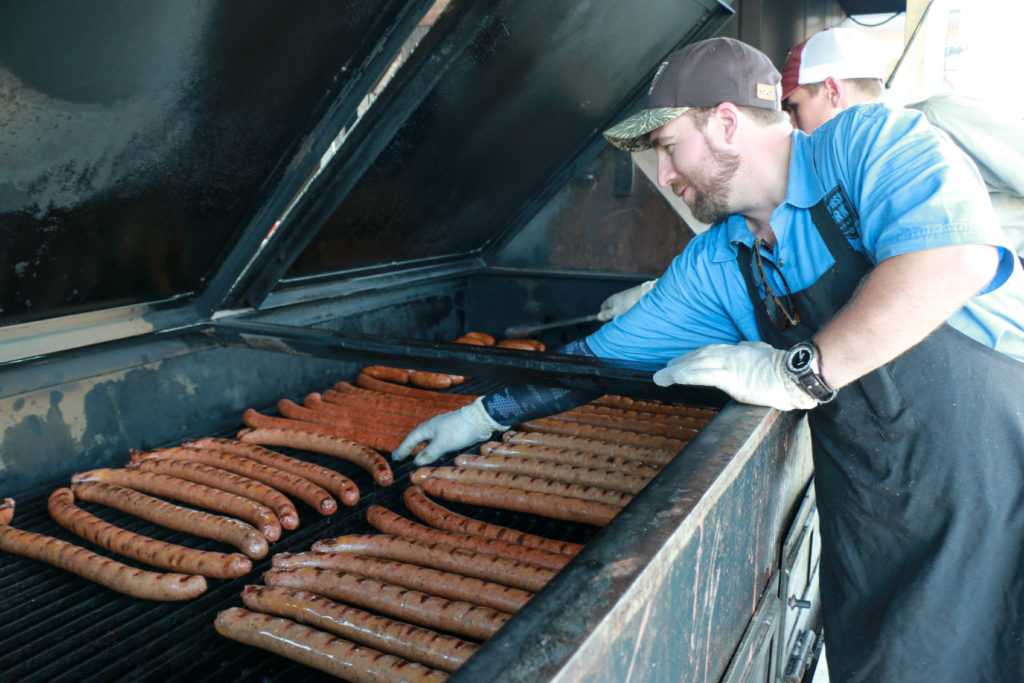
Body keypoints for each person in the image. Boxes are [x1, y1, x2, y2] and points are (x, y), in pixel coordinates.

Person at [393, 36, 1024, 681]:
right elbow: (604, 358)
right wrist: (485, 415)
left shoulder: (865, 142)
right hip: (869, 508)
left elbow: (951, 259)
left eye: (668, 147)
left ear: (726, 123)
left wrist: (796, 371)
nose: (664, 177)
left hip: (995, 468)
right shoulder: (720, 259)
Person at [781, 27, 1024, 262]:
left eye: (794, 107)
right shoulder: (841, 170)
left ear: (833, 91)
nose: (792, 125)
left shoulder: (937, 117)